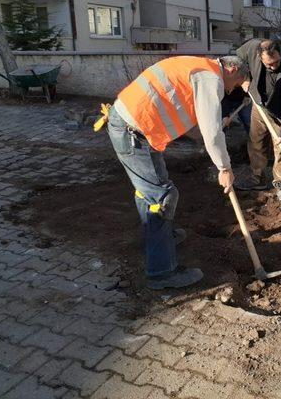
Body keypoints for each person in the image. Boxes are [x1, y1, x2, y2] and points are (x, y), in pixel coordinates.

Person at [97, 55, 250, 290]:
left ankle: (159, 238)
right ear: (231, 68)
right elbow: (210, 134)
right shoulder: (210, 78)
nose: (232, 89)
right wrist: (224, 168)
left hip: (138, 128)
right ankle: (161, 272)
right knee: (162, 197)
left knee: (152, 191)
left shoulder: (198, 67)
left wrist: (215, 127)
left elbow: (198, 121)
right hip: (133, 131)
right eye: (236, 82)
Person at [235, 39, 281, 202]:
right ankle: (257, 178)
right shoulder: (252, 48)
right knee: (256, 141)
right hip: (259, 104)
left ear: (280, 53)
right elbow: (237, 59)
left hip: (280, 110)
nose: (273, 67)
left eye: (276, 62)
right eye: (268, 64)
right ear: (259, 56)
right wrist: (244, 77)